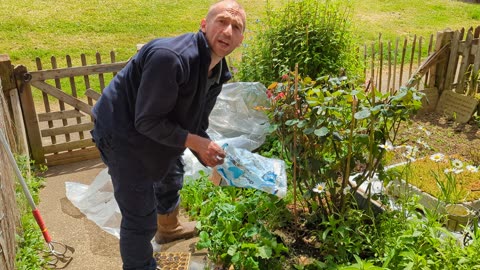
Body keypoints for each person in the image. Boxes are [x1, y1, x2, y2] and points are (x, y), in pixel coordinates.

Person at [90, 1, 246, 269]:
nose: (228, 31)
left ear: (242, 38)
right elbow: (147, 121)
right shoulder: (171, 58)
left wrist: (207, 149)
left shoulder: (218, 71)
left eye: (237, 26)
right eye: (222, 21)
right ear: (204, 24)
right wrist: (196, 142)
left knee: (171, 171)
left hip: (150, 124)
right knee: (140, 216)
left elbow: (195, 123)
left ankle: (169, 228)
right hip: (120, 132)